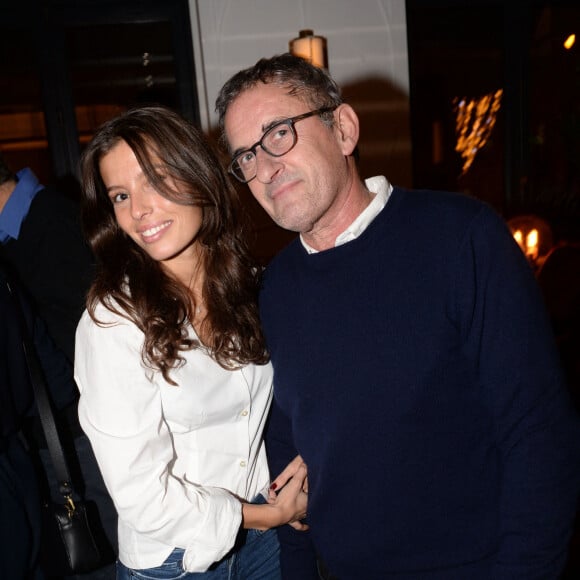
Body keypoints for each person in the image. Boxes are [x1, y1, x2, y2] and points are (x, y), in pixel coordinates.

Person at [215, 53, 580, 579]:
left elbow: (539, 434)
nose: (265, 168)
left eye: (278, 134)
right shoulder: (273, 290)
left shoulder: (460, 238)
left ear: (342, 128)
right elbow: (286, 462)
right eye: (245, 157)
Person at [75, 105, 308, 580]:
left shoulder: (249, 285)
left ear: (198, 175)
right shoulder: (114, 322)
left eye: (154, 179)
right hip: (175, 563)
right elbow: (144, 497)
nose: (138, 210)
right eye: (120, 195)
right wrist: (268, 515)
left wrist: (315, 449)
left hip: (263, 546)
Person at [0, 152, 117, 580]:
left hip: (80, 440)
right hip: (59, 440)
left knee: (99, 561)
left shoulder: (55, 226)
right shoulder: (20, 234)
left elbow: (99, 346)